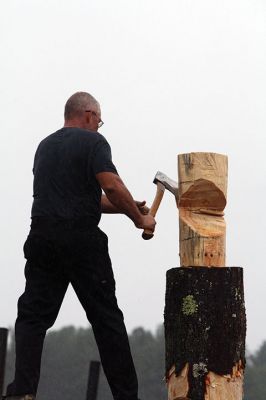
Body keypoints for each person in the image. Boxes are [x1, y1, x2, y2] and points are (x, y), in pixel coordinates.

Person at [4, 92, 156, 400]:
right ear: (88, 114)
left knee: (32, 316)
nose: (99, 127)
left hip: (43, 237)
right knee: (106, 319)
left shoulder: (44, 147)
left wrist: (131, 207)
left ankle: (22, 391)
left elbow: (81, 198)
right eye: (99, 120)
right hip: (80, 240)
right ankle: (127, 396)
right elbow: (111, 186)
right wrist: (140, 221)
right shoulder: (93, 143)